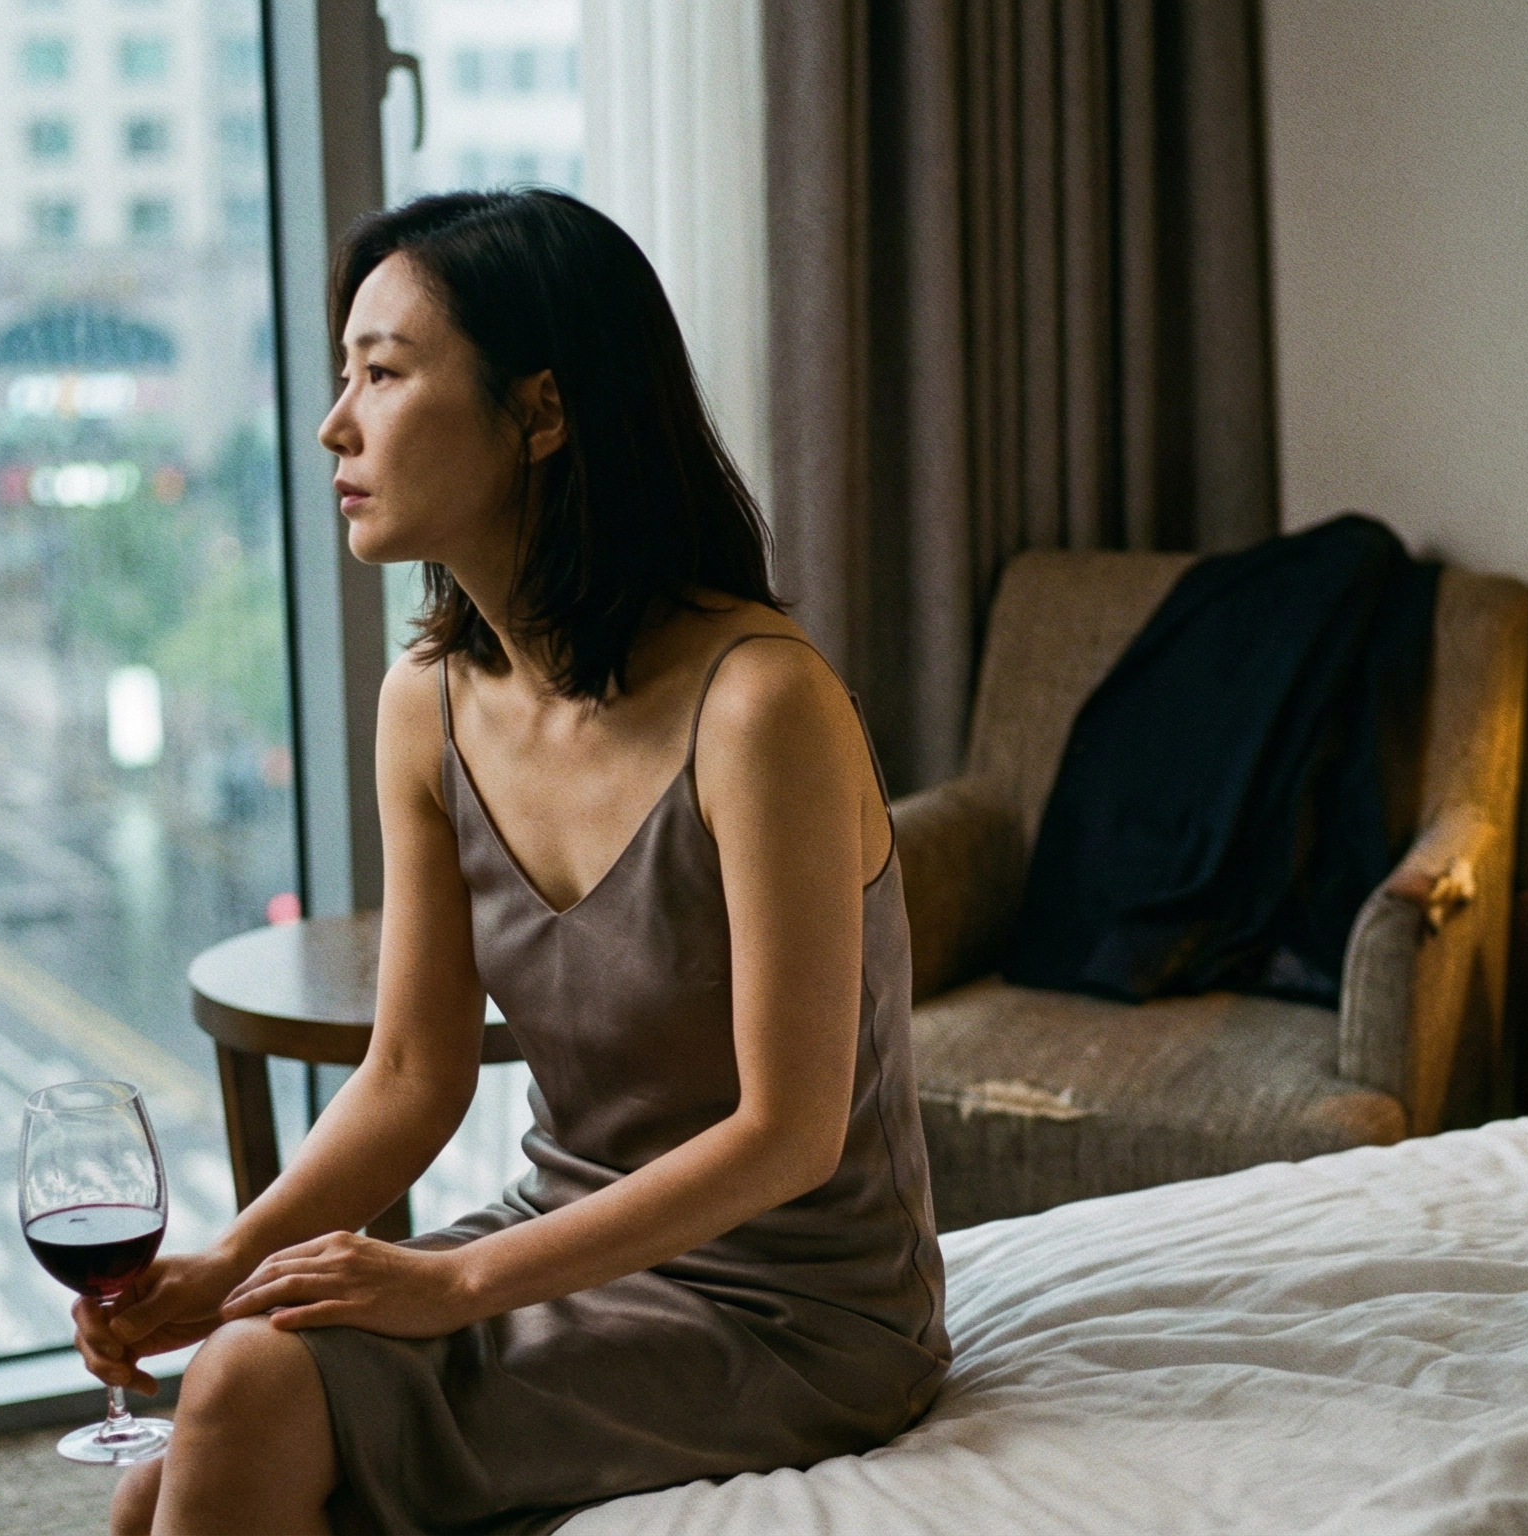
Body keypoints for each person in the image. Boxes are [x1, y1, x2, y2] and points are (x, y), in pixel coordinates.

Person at [83, 189, 948, 1535]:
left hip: (794, 1307)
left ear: (540, 413)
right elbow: (412, 1075)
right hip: (565, 1240)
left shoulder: (758, 706)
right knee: (166, 1484)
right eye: (344, 375)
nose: (336, 424)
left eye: (384, 374)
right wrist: (228, 1264)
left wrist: (453, 1285)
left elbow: (790, 1135)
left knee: (246, 1400)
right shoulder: (426, 701)